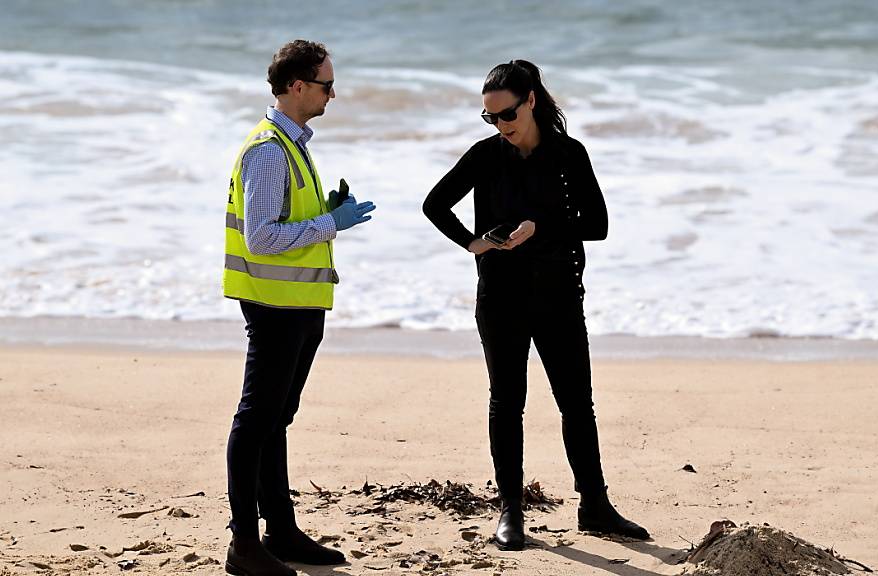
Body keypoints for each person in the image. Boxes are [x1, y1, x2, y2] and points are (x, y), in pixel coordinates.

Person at [422, 60, 649, 551]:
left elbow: (598, 223)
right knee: (507, 403)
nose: (500, 126)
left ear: (530, 101)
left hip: (559, 294)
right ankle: (511, 512)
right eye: (490, 118)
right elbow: (435, 204)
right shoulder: (485, 156)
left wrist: (539, 228)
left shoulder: (569, 154)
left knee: (577, 403)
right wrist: (472, 242)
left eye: (506, 115)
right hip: (500, 298)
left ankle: (595, 505)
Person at [222, 39, 375, 576]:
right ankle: (244, 545)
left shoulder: (293, 143)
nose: (334, 93)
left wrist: (324, 212)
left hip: (298, 300)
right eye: (327, 84)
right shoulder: (268, 149)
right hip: (274, 303)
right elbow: (262, 239)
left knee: (276, 419)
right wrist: (334, 224)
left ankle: (280, 531)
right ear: (297, 86)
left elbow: (279, 221)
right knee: (257, 420)